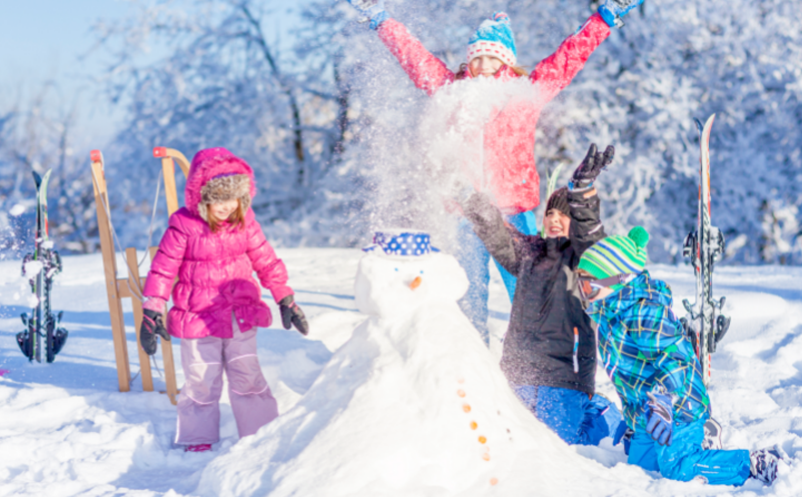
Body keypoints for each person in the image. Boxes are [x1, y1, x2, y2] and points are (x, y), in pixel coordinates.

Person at [343, 0, 645, 344]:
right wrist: (381, 19)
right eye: (477, 57)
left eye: (493, 57)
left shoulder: (526, 92)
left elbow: (569, 56)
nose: (484, 65)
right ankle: (474, 357)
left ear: (507, 60)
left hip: (514, 212)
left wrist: (604, 18)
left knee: (528, 288)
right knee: (469, 294)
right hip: (466, 212)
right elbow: (413, 55)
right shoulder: (450, 90)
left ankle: (535, 354)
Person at [576, 227, 783, 485]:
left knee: (677, 468)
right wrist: (633, 415)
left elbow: (674, 359)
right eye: (579, 284)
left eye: (588, 285)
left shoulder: (644, 313)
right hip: (648, 412)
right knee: (641, 468)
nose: (583, 293)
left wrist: (664, 398)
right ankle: (695, 441)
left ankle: (752, 463)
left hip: (678, 404)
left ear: (618, 281)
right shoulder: (608, 317)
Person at [138, 147, 309, 452]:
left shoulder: (246, 222)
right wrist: (152, 309)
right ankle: (198, 439)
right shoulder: (184, 225)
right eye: (217, 198)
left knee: (248, 376)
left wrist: (285, 298)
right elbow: (163, 268)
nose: (226, 206)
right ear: (201, 197)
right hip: (199, 318)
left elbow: (266, 260)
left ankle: (260, 434)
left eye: (233, 199)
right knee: (201, 380)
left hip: (239, 315)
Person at [457, 143, 623, 445]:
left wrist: (582, 192)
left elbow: (591, 237)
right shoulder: (529, 252)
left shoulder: (584, 261)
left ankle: (602, 416)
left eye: (565, 215)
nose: (555, 219)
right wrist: (469, 198)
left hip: (563, 379)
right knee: (511, 444)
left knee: (562, 447)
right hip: (518, 375)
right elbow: (498, 234)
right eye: (550, 214)